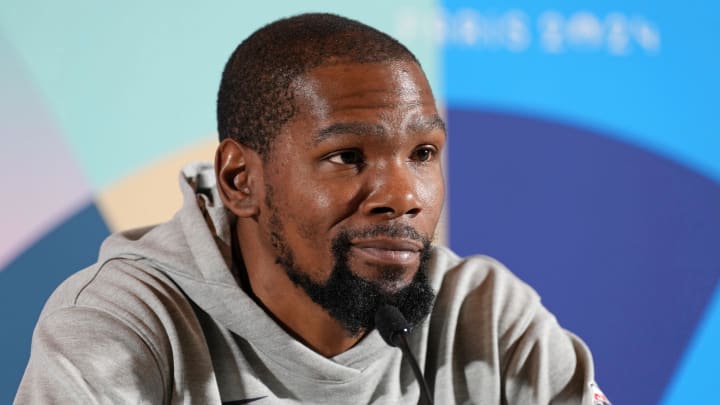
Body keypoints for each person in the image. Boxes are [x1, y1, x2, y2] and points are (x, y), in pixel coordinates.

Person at [15, 13, 610, 405]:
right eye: (347, 155)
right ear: (239, 179)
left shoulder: (485, 314)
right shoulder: (119, 326)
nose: (404, 196)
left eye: (423, 152)